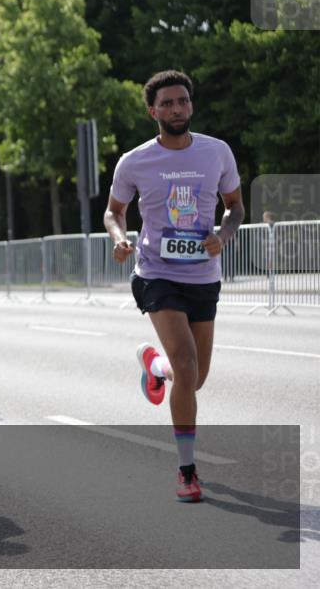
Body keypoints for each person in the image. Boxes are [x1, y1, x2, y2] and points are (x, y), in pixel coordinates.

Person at [104, 69, 244, 504]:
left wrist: (224, 234)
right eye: (166, 103)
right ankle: (187, 470)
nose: (176, 108)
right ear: (153, 112)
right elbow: (113, 212)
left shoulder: (217, 153)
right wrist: (119, 238)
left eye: (182, 101)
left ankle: (155, 368)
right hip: (156, 273)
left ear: (191, 105)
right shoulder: (135, 161)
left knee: (194, 377)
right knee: (187, 366)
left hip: (203, 276)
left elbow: (235, 207)